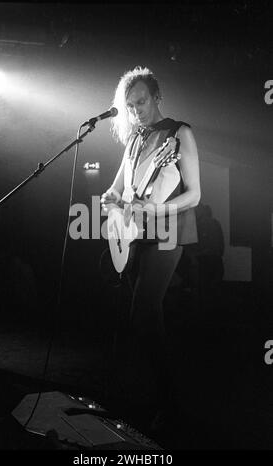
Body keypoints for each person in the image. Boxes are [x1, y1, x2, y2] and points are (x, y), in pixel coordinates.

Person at [100, 66, 201, 429]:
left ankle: (170, 402)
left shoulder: (179, 133)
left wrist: (159, 208)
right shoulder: (134, 140)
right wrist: (110, 200)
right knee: (143, 318)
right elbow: (118, 189)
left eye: (141, 101)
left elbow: (195, 193)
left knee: (143, 312)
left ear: (157, 97)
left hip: (169, 231)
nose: (136, 110)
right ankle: (160, 396)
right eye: (129, 106)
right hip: (134, 233)